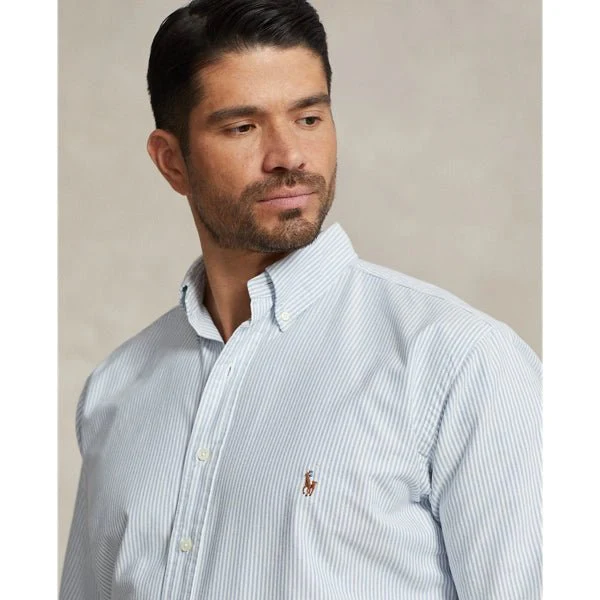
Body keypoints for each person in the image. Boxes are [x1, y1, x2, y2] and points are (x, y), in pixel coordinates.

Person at [60, 1, 542, 598]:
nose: (288, 156)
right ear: (172, 161)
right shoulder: (115, 392)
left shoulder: (459, 363)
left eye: (309, 118)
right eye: (243, 127)